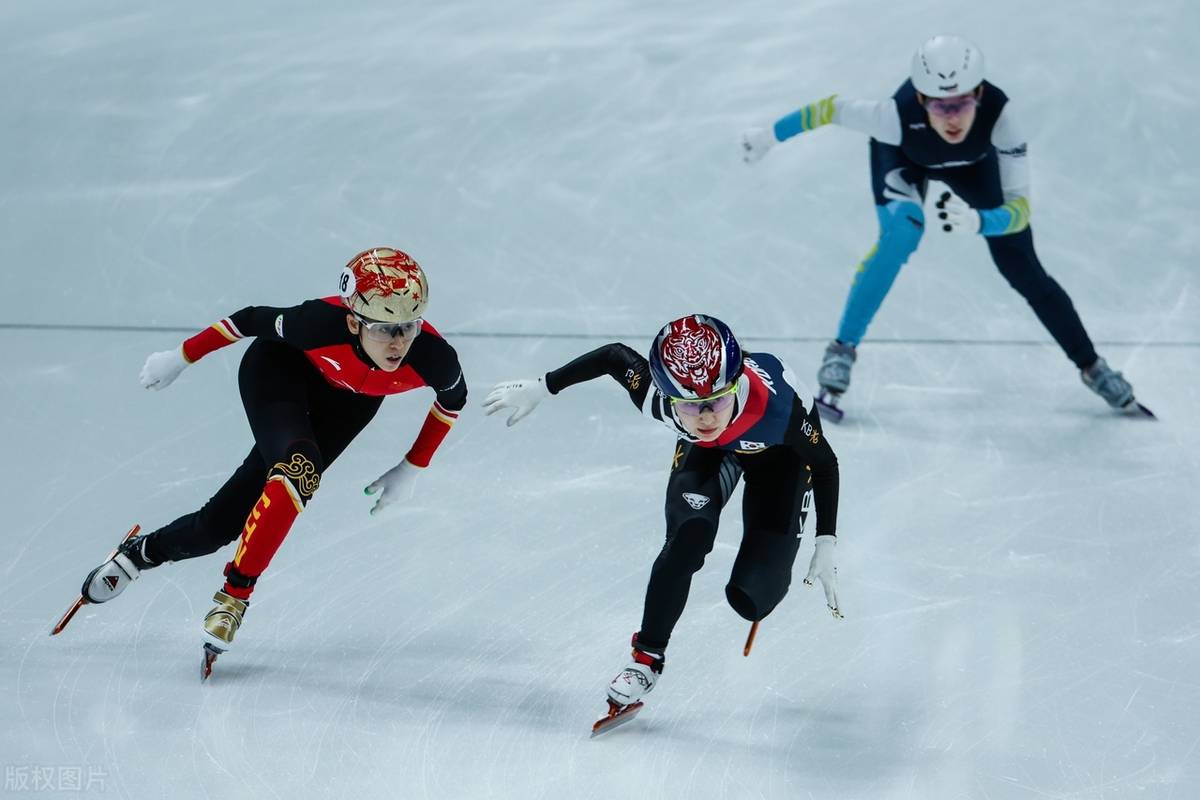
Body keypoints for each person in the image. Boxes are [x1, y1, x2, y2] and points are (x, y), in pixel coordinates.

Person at [76, 247, 467, 673]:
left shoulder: (432, 355)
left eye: (408, 326)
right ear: (354, 321)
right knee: (301, 467)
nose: (398, 342)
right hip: (279, 372)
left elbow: (453, 400)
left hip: (349, 405)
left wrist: (412, 465)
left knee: (217, 528)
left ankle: (140, 554)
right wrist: (182, 356)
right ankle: (233, 599)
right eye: (385, 329)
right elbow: (247, 319)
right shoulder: (316, 323)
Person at [741, 34, 1145, 418]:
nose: (952, 117)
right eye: (939, 105)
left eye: (962, 103)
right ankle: (841, 351)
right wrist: (767, 137)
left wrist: (980, 221)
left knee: (1022, 268)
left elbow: (1020, 210)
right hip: (904, 156)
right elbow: (827, 109)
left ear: (979, 95)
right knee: (902, 234)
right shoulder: (892, 118)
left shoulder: (1002, 117)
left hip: (977, 167)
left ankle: (1093, 366)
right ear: (920, 98)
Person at [483, 314, 843, 713]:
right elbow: (613, 357)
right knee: (689, 536)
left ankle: (764, 577)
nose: (706, 418)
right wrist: (543, 386)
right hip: (711, 456)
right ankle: (646, 660)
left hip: (780, 458)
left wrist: (826, 541)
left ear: (738, 384)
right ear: (670, 399)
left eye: (717, 401)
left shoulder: (780, 413)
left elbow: (825, 465)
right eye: (690, 408)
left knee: (754, 596)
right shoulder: (658, 398)